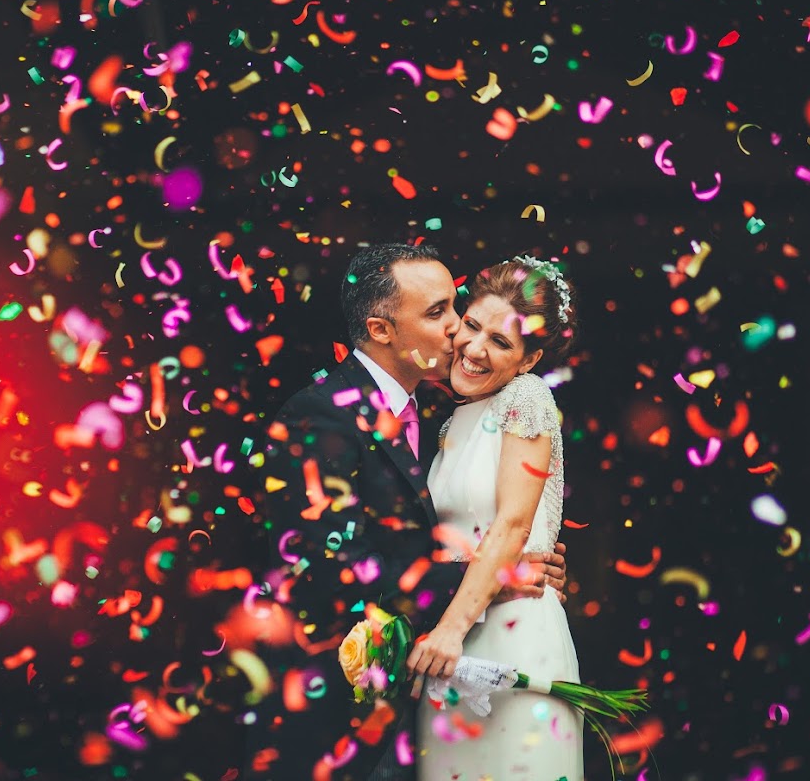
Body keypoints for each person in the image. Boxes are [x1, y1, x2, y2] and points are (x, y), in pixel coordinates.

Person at [242, 243, 568, 780]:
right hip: (340, 714)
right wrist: (492, 578)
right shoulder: (319, 416)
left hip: (448, 675)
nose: (458, 329)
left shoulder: (446, 408)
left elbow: (490, 519)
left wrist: (530, 553)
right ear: (381, 329)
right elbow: (332, 566)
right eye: (439, 312)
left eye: (456, 306)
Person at [405, 256, 582, 781]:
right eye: (472, 325)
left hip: (510, 636)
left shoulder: (527, 397)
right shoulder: (454, 418)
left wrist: (449, 632)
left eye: (501, 342)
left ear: (529, 360)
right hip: (453, 645)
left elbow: (512, 526)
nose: (475, 348)